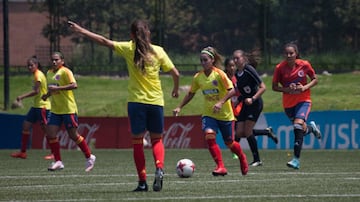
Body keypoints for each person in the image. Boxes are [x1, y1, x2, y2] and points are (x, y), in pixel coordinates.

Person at [68, 20, 180, 192]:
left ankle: (142, 182)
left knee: (137, 143)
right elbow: (175, 73)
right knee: (157, 140)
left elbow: (104, 41)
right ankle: (159, 167)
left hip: (136, 103)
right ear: (148, 33)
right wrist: (175, 89)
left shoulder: (129, 48)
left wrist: (81, 30)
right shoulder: (158, 51)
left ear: (132, 35)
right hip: (156, 102)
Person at [173, 46, 248, 177]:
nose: (203, 63)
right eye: (201, 60)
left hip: (225, 115)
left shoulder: (219, 74)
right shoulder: (198, 77)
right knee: (209, 136)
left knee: (229, 142)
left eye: (205, 60)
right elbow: (191, 93)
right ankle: (220, 166)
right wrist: (180, 106)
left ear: (212, 60)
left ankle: (242, 157)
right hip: (209, 114)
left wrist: (221, 102)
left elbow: (232, 90)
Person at [41, 52, 96, 172]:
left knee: (73, 135)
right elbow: (52, 88)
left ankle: (89, 157)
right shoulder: (49, 73)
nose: (54, 62)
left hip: (68, 109)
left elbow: (74, 85)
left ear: (62, 61)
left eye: (56, 60)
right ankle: (58, 161)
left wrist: (58, 88)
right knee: (51, 134)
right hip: (56, 109)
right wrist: (47, 95)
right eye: (52, 60)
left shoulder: (66, 71)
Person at [272, 42, 321, 169]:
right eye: (286, 53)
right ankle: (311, 128)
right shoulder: (279, 68)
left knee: (297, 125)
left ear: (296, 54)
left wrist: (304, 87)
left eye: (291, 53)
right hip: (288, 104)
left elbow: (315, 79)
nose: (289, 55)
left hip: (303, 100)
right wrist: (287, 89)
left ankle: (296, 159)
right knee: (301, 129)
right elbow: (274, 87)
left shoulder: (304, 65)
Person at [224, 58, 278, 161]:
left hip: (242, 105)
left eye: (233, 65)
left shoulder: (240, 75)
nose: (232, 67)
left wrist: (243, 100)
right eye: (230, 66)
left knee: (243, 131)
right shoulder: (224, 77)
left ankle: (245, 156)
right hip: (232, 106)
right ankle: (265, 132)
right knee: (241, 132)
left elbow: (244, 91)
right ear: (226, 67)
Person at [10, 56, 53, 160]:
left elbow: (36, 91)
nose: (29, 67)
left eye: (31, 65)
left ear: (36, 65)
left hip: (42, 106)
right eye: (28, 65)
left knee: (46, 130)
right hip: (36, 106)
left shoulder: (38, 75)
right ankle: (23, 152)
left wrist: (21, 97)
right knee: (25, 126)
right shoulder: (36, 75)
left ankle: (54, 153)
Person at [232, 50, 267, 167]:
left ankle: (257, 159)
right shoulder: (237, 74)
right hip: (246, 104)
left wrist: (253, 98)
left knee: (247, 131)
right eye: (234, 59)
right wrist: (238, 100)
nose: (235, 61)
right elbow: (243, 92)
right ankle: (266, 132)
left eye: (237, 58)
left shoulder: (249, 70)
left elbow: (263, 87)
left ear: (243, 59)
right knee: (239, 132)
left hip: (255, 104)